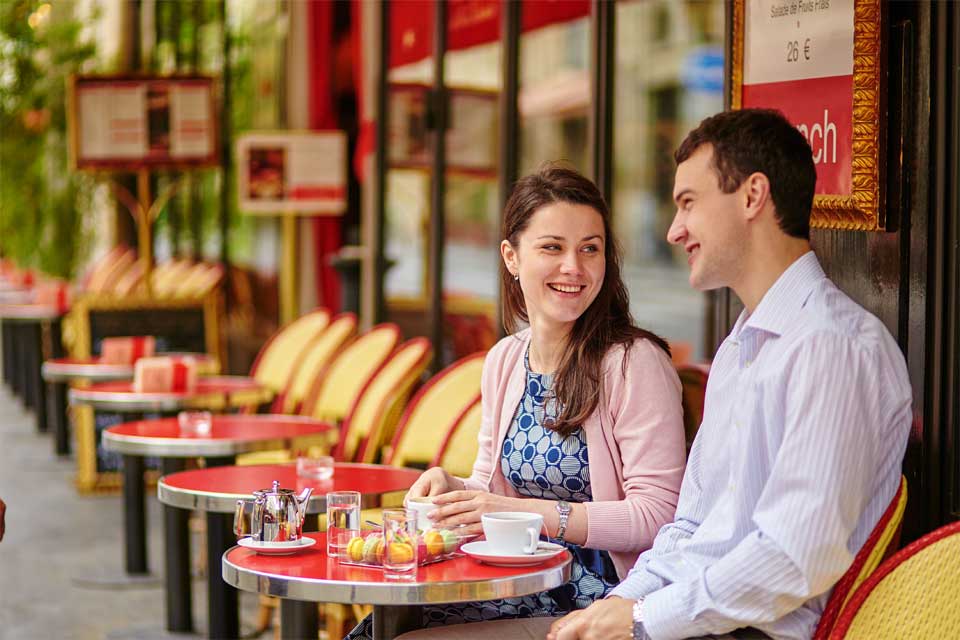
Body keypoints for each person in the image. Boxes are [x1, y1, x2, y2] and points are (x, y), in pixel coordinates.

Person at [543, 109, 912, 639]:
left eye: (688, 203)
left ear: (752, 196)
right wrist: (614, 607)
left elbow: (794, 557)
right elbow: (690, 530)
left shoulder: (832, 346)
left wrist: (644, 620)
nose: (674, 231)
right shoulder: (741, 347)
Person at [347, 165, 687, 638]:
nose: (575, 266)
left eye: (591, 248)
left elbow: (658, 516)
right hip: (509, 575)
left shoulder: (633, 362)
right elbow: (493, 489)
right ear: (511, 257)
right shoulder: (507, 358)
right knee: (383, 625)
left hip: (598, 594)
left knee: (400, 632)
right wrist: (453, 487)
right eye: (553, 247)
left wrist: (533, 514)